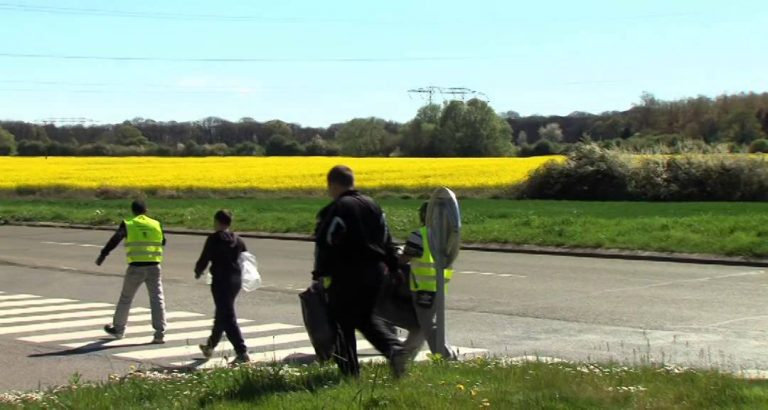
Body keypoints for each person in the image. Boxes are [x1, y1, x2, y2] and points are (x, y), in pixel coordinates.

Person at [313, 165, 407, 378]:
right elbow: (387, 239)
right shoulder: (373, 205)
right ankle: (393, 349)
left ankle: (349, 371)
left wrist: (319, 273)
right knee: (364, 318)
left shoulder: (338, 208)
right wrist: (394, 268)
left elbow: (326, 241)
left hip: (346, 274)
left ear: (334, 185)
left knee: (339, 320)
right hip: (376, 273)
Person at [95, 199, 166, 344]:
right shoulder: (155, 223)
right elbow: (163, 241)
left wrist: (104, 254)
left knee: (126, 298)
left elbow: (116, 238)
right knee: (157, 299)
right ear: (146, 210)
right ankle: (159, 334)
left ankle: (119, 329)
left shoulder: (129, 224)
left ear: (133, 211)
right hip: (154, 266)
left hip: (136, 267)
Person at [399, 202, 456, 360]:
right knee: (426, 324)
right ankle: (405, 355)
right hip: (440, 285)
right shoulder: (446, 235)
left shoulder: (419, 235)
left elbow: (404, 259)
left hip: (423, 287)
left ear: (424, 216)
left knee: (428, 326)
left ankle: (445, 357)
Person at [194, 210, 250, 364]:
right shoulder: (238, 239)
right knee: (222, 312)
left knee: (227, 315)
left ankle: (242, 352)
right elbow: (246, 256)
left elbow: (205, 257)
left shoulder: (214, 239)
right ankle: (210, 346)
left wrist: (198, 270)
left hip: (221, 281)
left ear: (217, 222)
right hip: (235, 281)